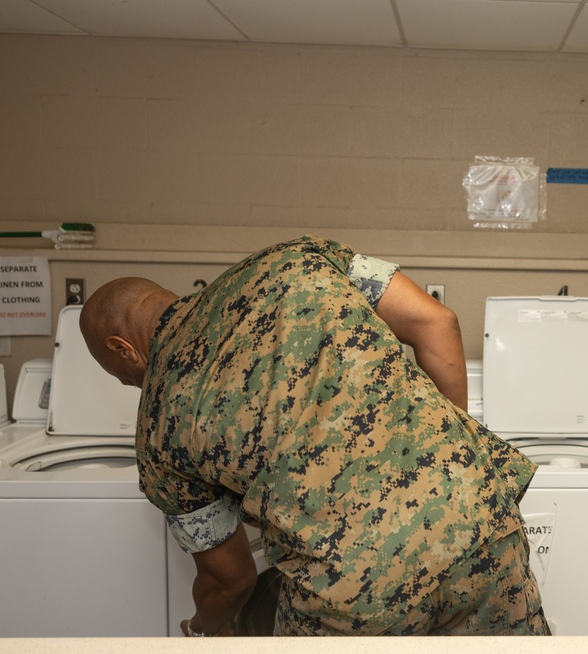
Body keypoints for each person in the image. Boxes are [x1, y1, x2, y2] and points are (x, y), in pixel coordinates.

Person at [80, 235, 548, 637]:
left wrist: (203, 627)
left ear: (122, 349)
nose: (134, 387)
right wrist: (449, 466)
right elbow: (437, 322)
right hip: (483, 525)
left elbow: (231, 581)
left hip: (349, 595)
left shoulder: (158, 431)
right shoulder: (297, 259)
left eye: (124, 378)